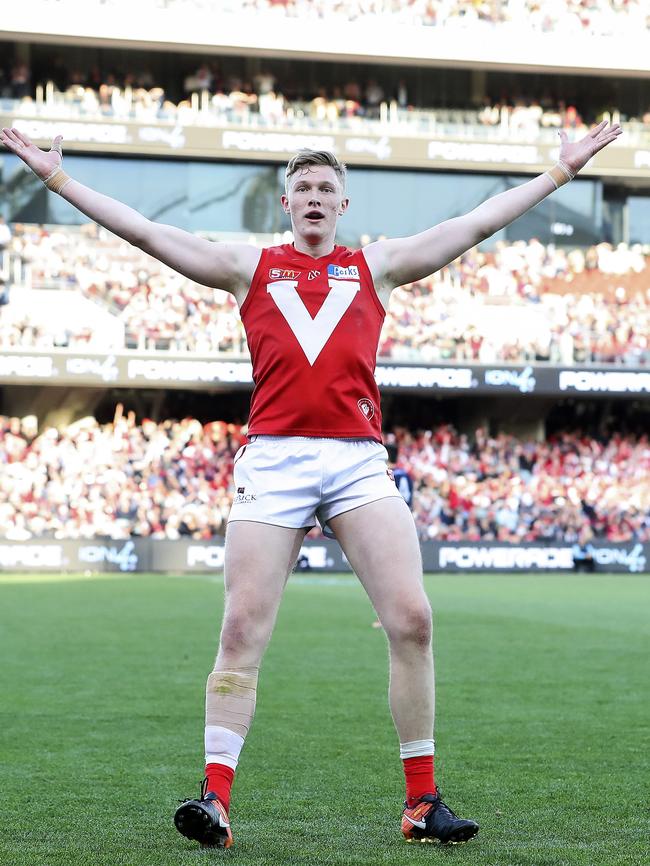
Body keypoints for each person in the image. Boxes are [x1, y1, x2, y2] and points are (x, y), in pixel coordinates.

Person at [0, 120, 621, 849]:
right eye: (303, 188)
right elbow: (144, 232)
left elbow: (474, 223)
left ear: (344, 204)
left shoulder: (376, 266)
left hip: (357, 458)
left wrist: (560, 175)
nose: (316, 197)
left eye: (327, 188)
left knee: (413, 619)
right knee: (241, 629)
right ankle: (216, 800)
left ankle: (422, 804)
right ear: (286, 203)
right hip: (275, 459)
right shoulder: (248, 267)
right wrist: (57, 181)